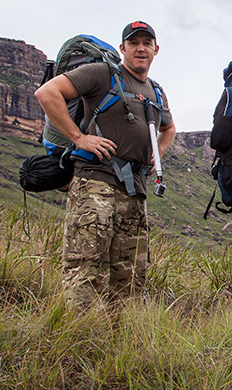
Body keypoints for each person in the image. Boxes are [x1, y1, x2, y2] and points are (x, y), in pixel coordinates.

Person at [35, 21, 176, 307]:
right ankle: (79, 341)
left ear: (156, 49)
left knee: (130, 276)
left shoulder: (156, 91)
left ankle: (118, 344)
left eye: (146, 43)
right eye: (133, 43)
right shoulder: (102, 74)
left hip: (136, 191)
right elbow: (47, 93)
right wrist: (78, 137)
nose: (140, 48)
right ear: (122, 48)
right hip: (95, 182)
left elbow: (169, 128)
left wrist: (157, 153)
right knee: (86, 267)